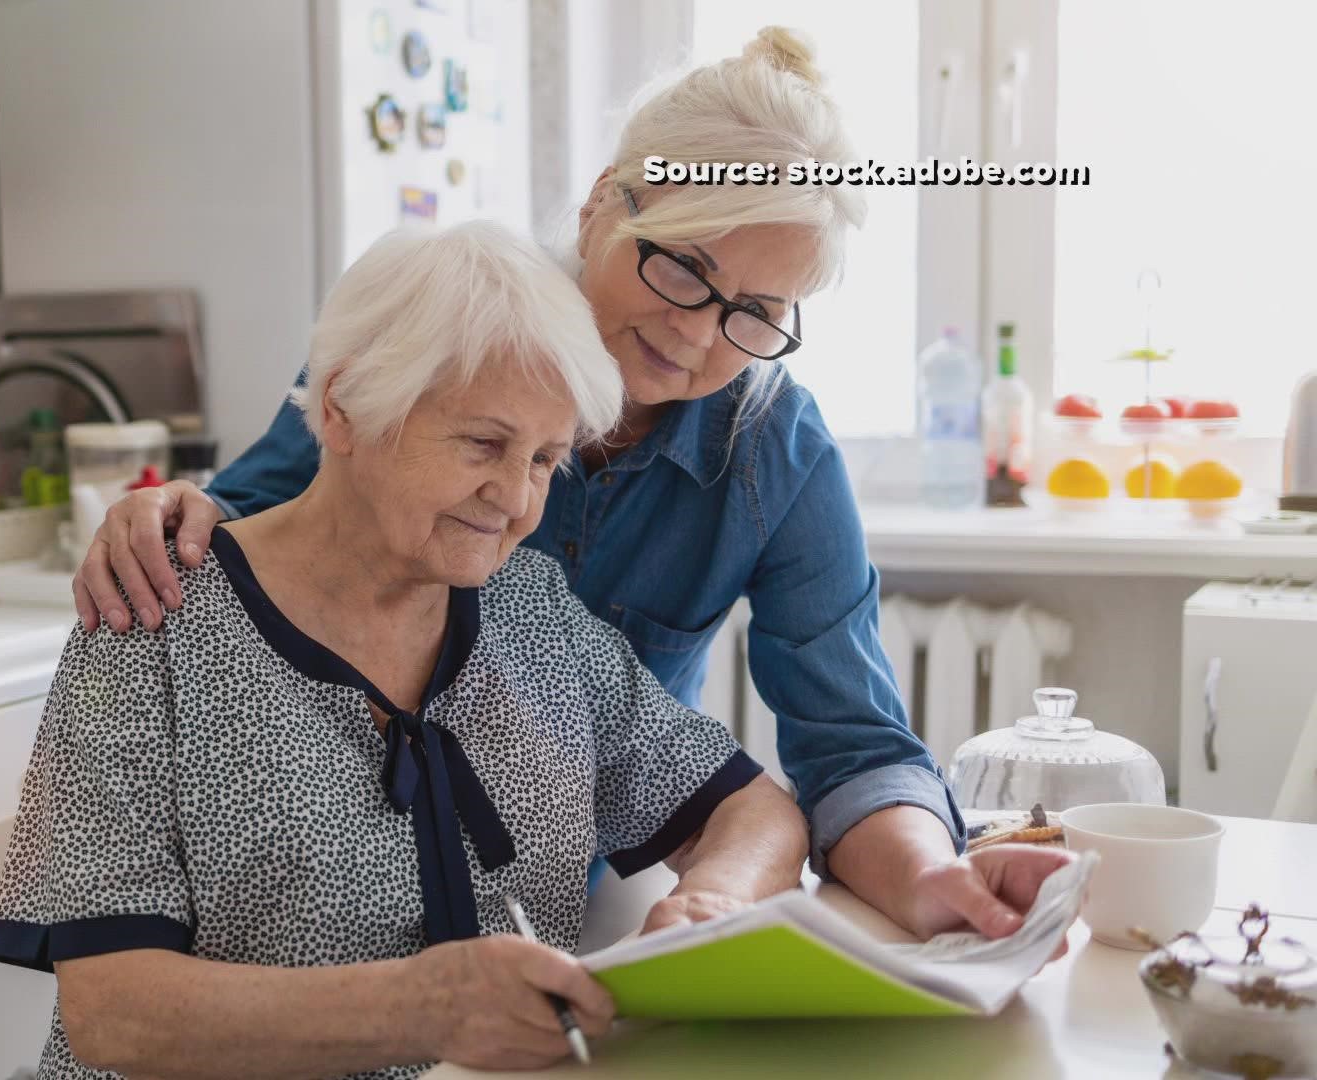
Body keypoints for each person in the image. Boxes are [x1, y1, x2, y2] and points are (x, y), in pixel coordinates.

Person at [70, 27, 1075, 942]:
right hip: (318, 899)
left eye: (754, 310)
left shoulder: (776, 452)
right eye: (682, 267)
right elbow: (247, 533)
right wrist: (165, 514)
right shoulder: (436, 334)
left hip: (560, 901)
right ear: (603, 203)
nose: (693, 332)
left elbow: (852, 747)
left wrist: (932, 875)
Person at [0, 221, 809, 1077]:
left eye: (545, 459)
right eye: (484, 444)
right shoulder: (153, 621)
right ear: (343, 407)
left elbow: (754, 812)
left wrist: (712, 903)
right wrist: (424, 1009)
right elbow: (112, 1012)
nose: (514, 499)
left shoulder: (533, 614)